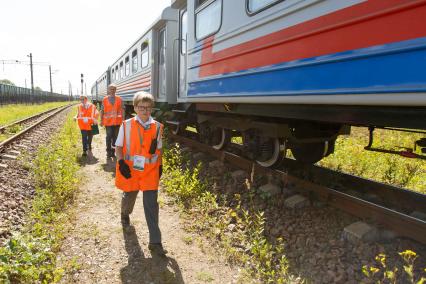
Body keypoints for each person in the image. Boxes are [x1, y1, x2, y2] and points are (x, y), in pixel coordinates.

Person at [115, 91, 166, 255]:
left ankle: (155, 242)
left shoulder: (158, 127)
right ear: (135, 108)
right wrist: (121, 162)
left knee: (151, 206)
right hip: (131, 171)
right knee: (129, 197)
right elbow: (118, 147)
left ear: (152, 109)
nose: (145, 111)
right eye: (142, 107)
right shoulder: (126, 125)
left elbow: (159, 150)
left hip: (150, 172)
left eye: (148, 108)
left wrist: (160, 166)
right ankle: (124, 213)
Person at [100, 83, 125, 158]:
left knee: (115, 137)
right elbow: (102, 110)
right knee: (108, 136)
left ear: (116, 90)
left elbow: (123, 109)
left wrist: (123, 119)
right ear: (108, 90)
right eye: (111, 89)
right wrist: (101, 120)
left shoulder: (119, 99)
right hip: (108, 122)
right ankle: (108, 151)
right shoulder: (104, 99)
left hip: (117, 122)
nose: (112, 90)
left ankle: (113, 152)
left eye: (114, 89)